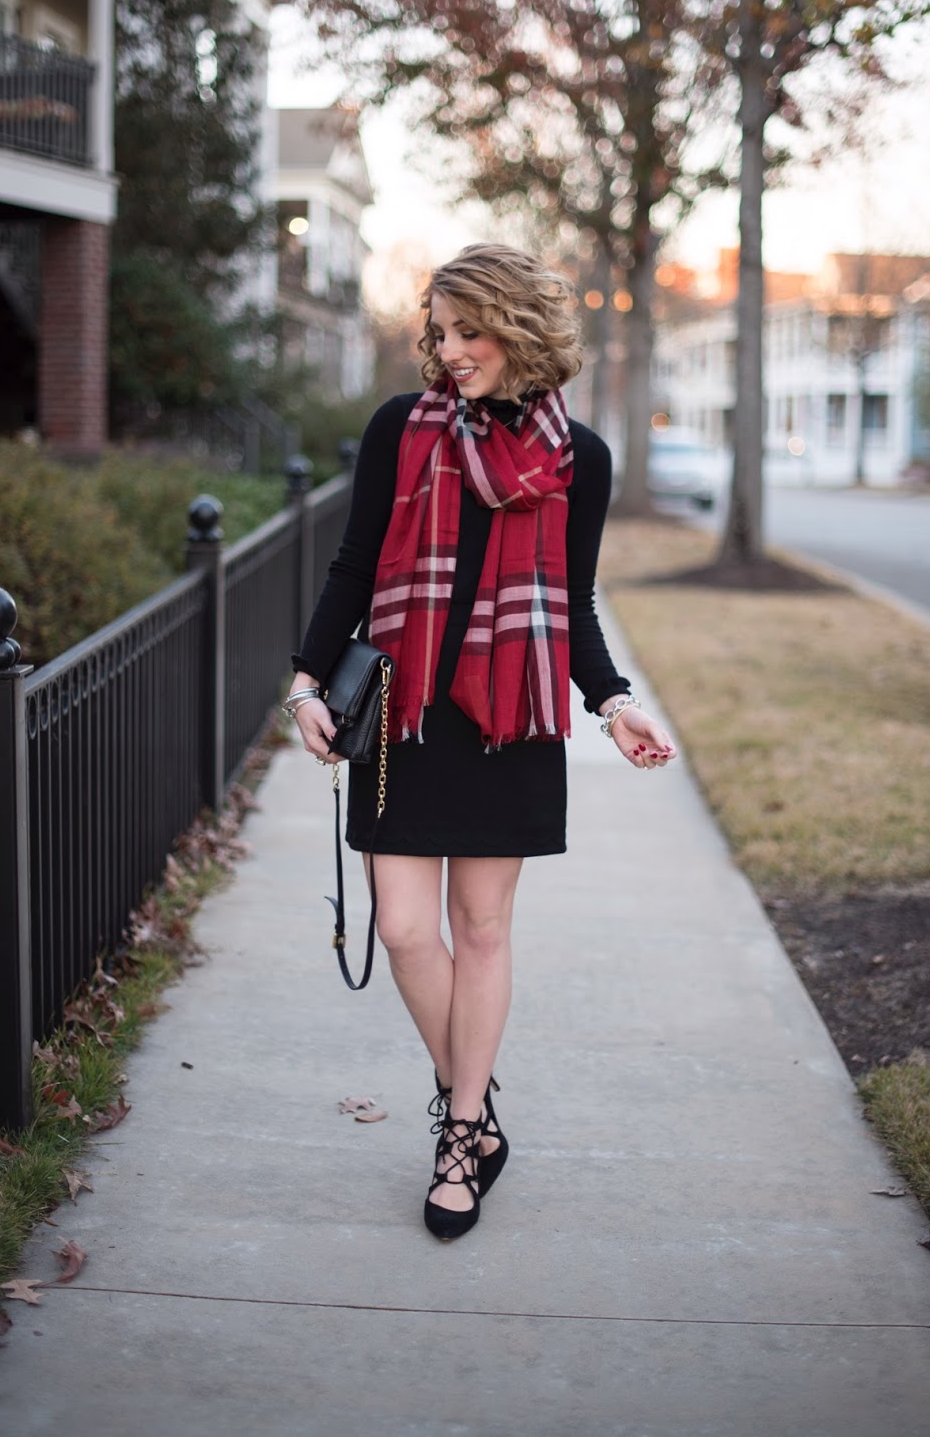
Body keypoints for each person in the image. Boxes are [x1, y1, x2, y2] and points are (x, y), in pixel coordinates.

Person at [286, 243, 676, 1241]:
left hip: (510, 719)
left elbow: (572, 602)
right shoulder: (402, 429)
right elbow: (354, 565)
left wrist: (613, 702)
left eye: (471, 331)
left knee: (483, 929)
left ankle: (460, 1132)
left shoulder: (579, 458)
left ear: (519, 329)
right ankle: (478, 1102)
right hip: (405, 714)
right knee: (406, 930)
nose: (451, 350)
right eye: (441, 332)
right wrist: (304, 682)